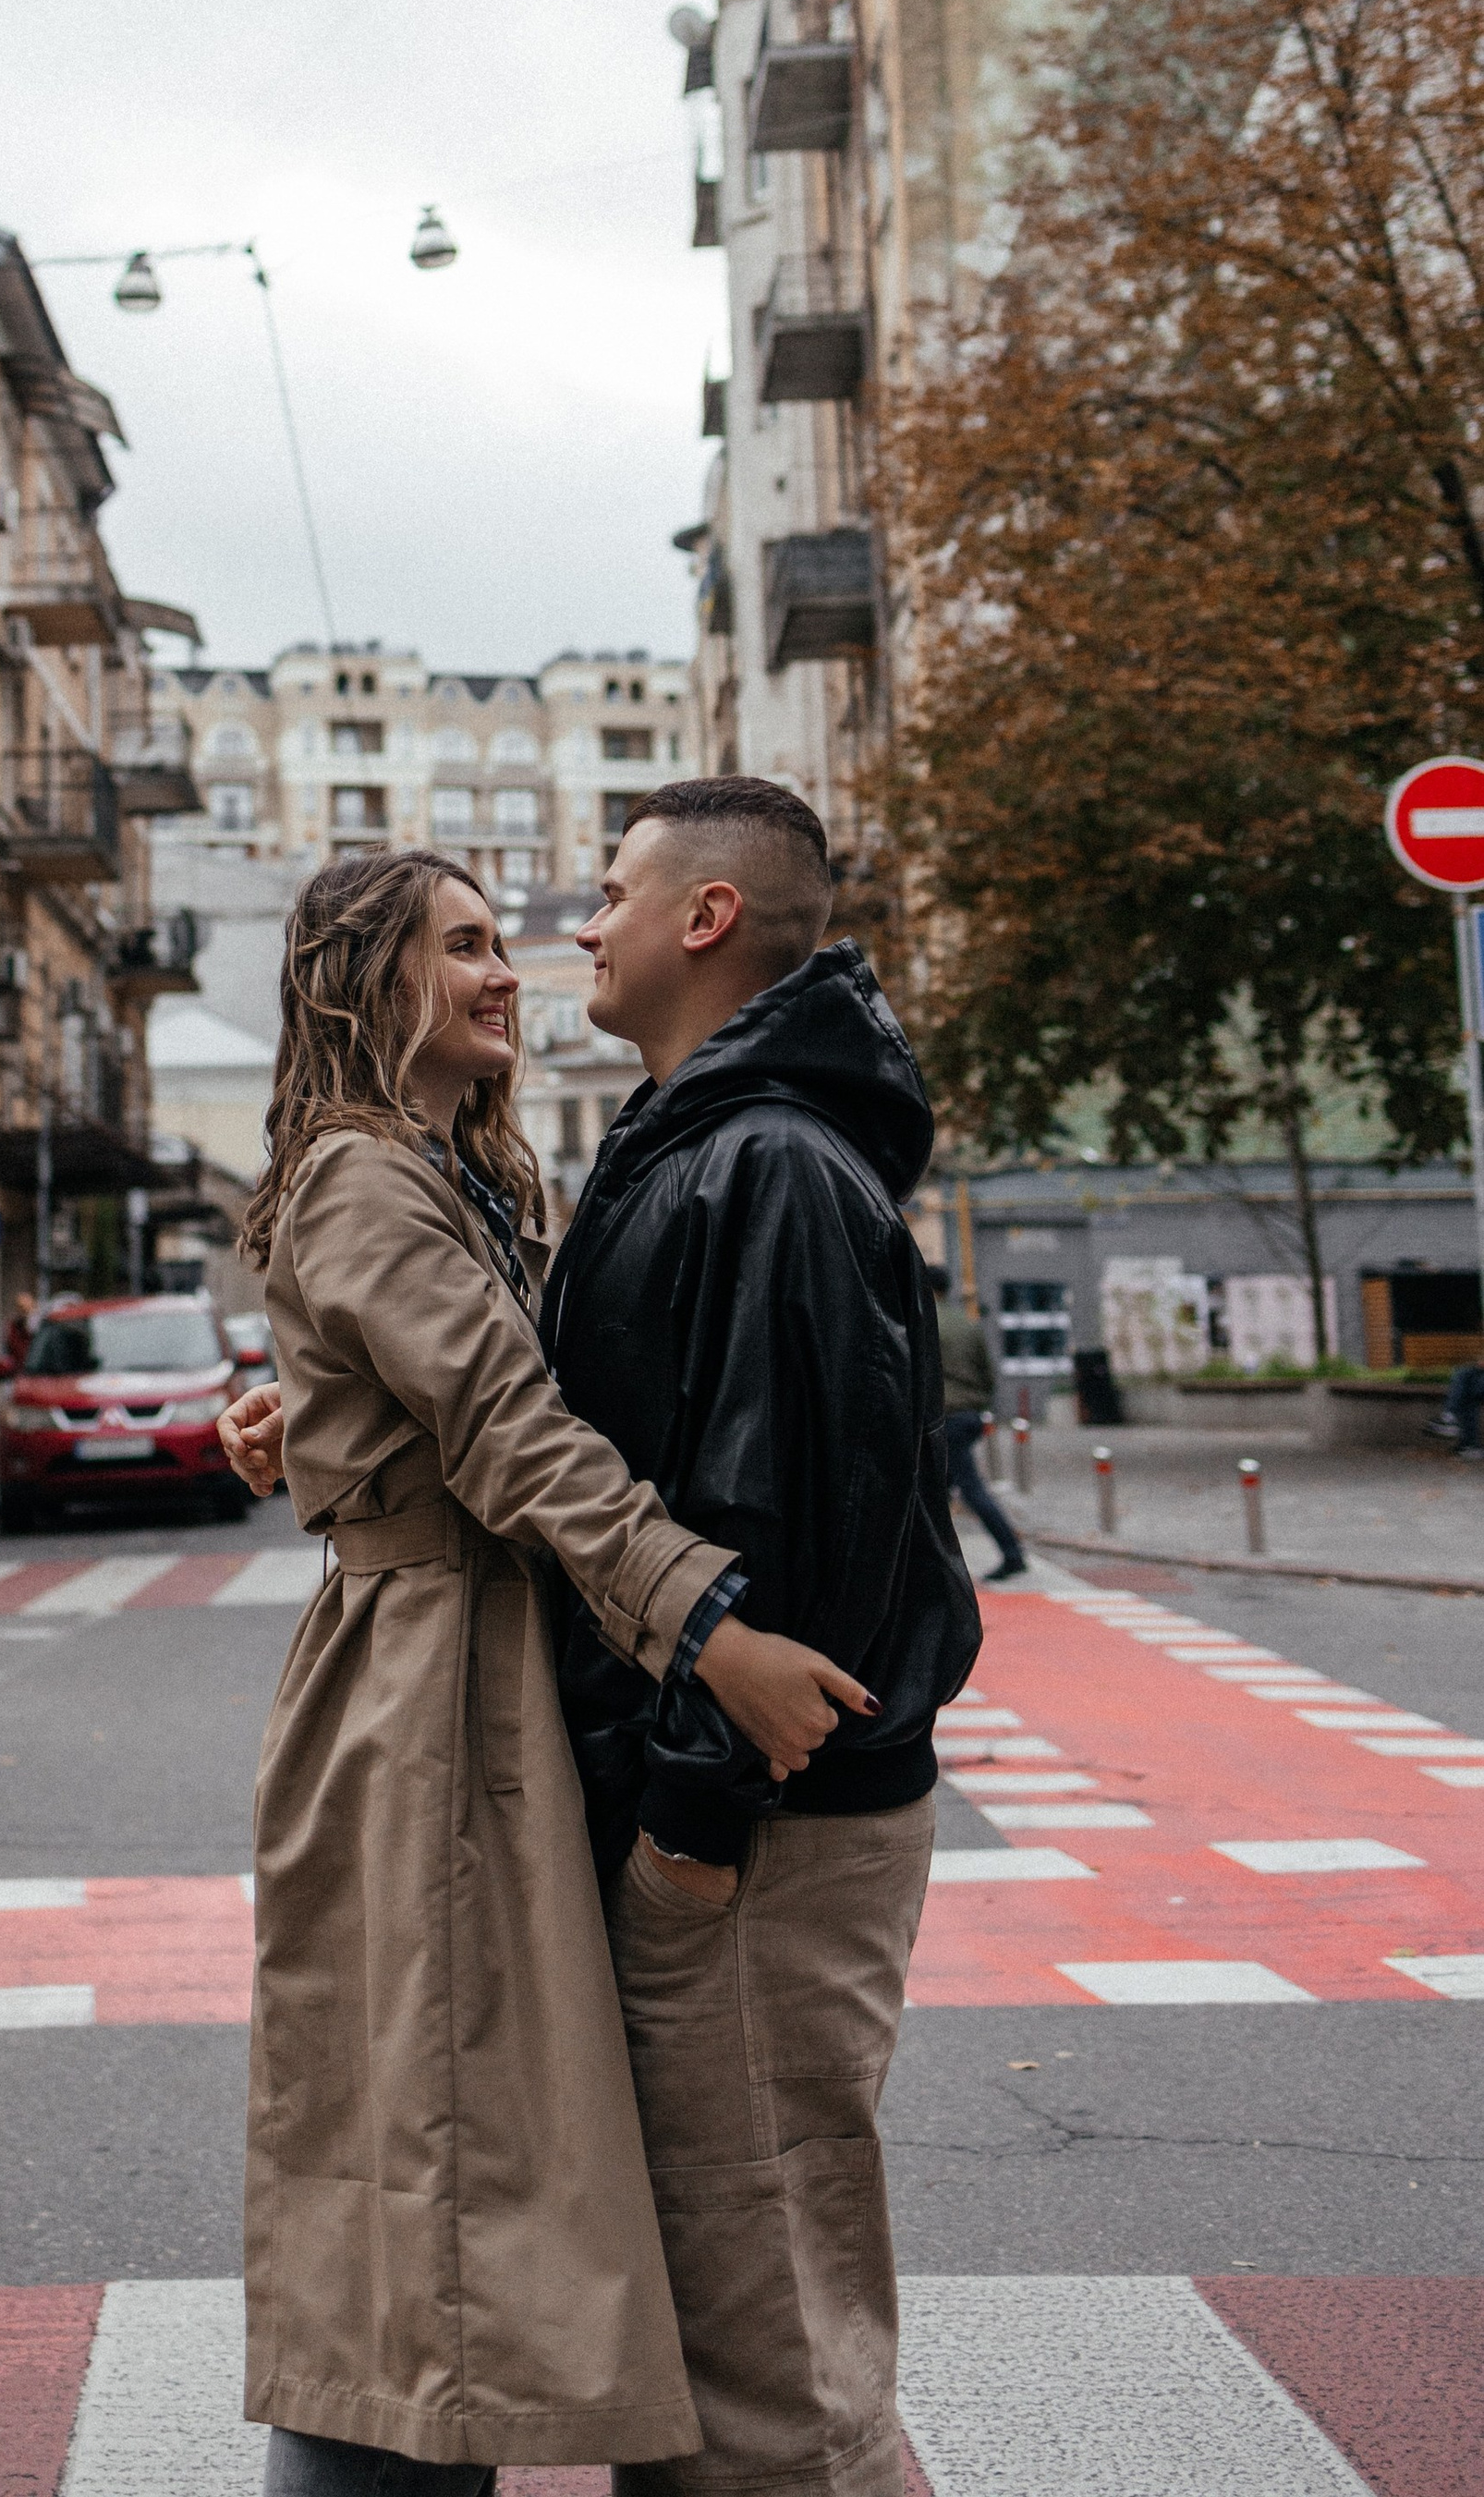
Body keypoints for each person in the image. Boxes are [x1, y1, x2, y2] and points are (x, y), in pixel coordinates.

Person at [231, 847, 871, 2496]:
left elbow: (460, 1399)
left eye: (503, 941)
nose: (509, 968)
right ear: (361, 981)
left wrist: (304, 1418)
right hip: (424, 1704)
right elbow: (514, 1437)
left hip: (480, 1678)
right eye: (462, 946)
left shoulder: (454, 1175)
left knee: (459, 2166)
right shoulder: (371, 1177)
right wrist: (712, 1629)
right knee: (431, 2164)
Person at [545, 776, 982, 2497]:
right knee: (721, 2317)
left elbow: (780, 1516)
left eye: (613, 887)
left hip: (758, 1829)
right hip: (730, 1813)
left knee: (765, 2350)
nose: (585, 922)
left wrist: (692, 1826)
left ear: (704, 919)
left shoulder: (769, 1163)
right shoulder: (709, 1139)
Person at [932, 1264, 1030, 1579]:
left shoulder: (924, 1320)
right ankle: (936, 1567)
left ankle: (1012, 1553)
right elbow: (987, 1374)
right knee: (936, 1491)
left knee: (970, 1490)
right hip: (969, 1415)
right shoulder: (966, 1324)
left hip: (943, 1418)